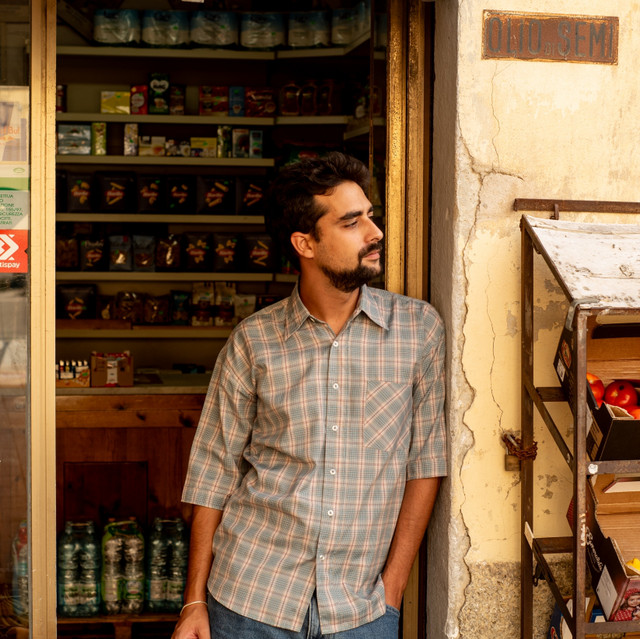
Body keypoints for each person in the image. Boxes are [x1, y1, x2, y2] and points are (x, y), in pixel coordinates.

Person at [172, 152, 447, 639]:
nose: (375, 232)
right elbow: (212, 473)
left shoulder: (417, 330)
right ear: (305, 243)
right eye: (351, 222)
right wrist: (194, 602)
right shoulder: (254, 341)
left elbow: (425, 464)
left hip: (361, 610)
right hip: (249, 599)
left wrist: (393, 591)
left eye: (370, 216)